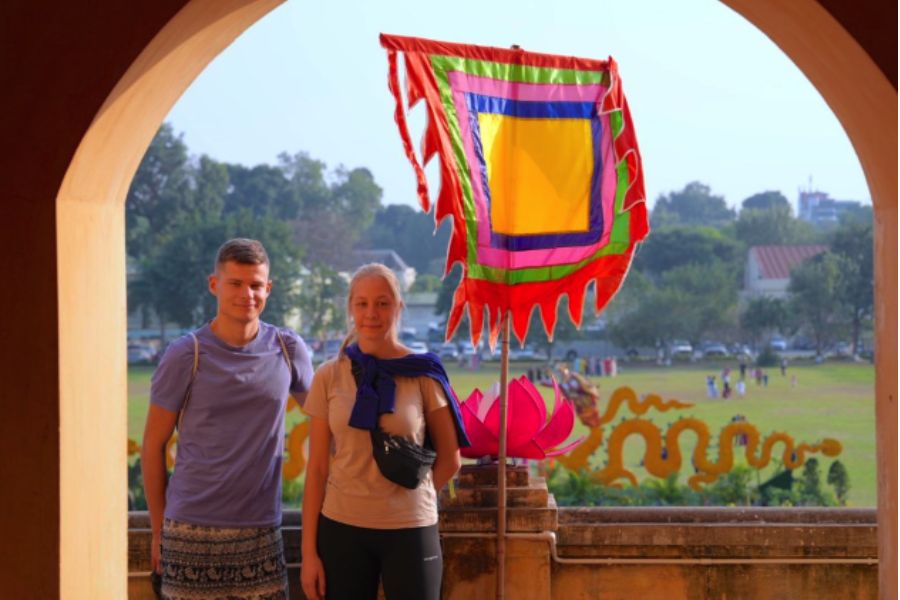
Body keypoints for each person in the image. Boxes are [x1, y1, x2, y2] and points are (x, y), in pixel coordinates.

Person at [141, 238, 314, 600]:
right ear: (214, 285)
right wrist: (159, 531)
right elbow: (153, 446)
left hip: (261, 530)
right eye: (235, 283)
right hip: (191, 528)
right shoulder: (188, 354)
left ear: (269, 288)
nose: (246, 294)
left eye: (255, 285)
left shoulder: (288, 349)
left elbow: (328, 421)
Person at [300, 264, 469, 600]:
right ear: (350, 308)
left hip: (410, 528)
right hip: (342, 527)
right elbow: (317, 468)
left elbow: (451, 459)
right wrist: (308, 556)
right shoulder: (329, 376)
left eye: (382, 303)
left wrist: (411, 498)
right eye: (362, 304)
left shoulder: (423, 373)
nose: (371, 314)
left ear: (399, 307)